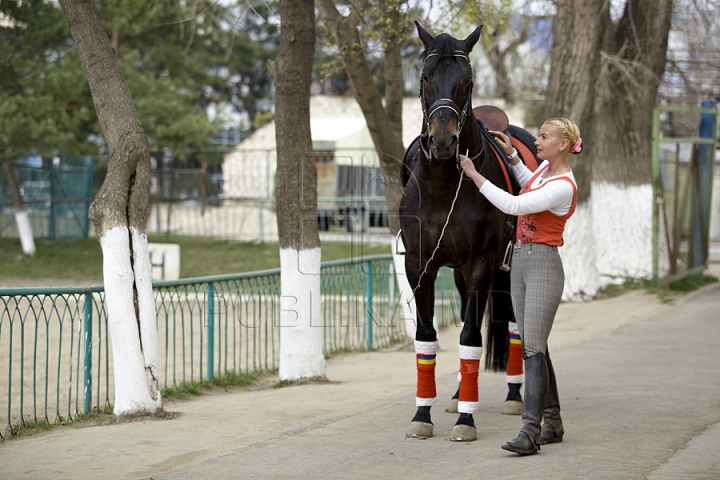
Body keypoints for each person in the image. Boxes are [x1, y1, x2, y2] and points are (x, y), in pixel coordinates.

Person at [458, 117, 582, 456]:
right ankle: (553, 421)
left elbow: (515, 204)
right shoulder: (544, 173)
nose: (537, 141)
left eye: (543, 137)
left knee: (533, 348)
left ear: (562, 145)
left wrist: (475, 175)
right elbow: (528, 184)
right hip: (522, 261)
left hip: (543, 264)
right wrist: (513, 156)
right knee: (534, 344)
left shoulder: (564, 184)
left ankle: (531, 430)